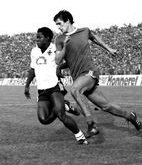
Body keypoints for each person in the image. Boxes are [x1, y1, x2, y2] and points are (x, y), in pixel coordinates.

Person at [53, 10, 142, 138]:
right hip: (79, 77)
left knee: (75, 90)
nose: (58, 27)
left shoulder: (84, 31)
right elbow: (58, 60)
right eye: (57, 25)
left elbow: (95, 38)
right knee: (107, 106)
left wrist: (109, 49)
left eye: (60, 23)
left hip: (90, 73)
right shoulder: (60, 39)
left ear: (68, 21)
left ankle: (91, 125)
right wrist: (65, 49)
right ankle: (131, 116)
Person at [24, 27, 87, 144]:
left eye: (39, 37)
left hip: (55, 86)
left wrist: (59, 67)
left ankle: (80, 136)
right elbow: (32, 69)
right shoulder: (34, 51)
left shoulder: (55, 48)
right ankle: (66, 105)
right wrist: (27, 86)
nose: (36, 40)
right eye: (36, 37)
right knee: (44, 119)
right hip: (42, 90)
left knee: (61, 115)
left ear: (48, 38)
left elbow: (69, 61)